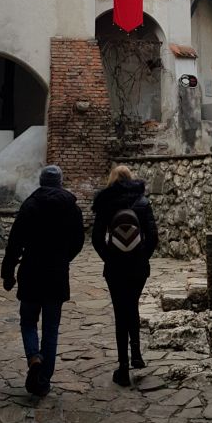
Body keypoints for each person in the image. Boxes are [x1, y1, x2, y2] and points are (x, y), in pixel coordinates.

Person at [1, 164, 84, 397]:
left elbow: (14, 243)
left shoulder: (29, 206)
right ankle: (44, 379)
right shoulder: (72, 208)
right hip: (56, 274)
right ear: (60, 182)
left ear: (41, 181)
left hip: (31, 272)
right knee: (51, 329)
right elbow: (78, 240)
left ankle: (34, 357)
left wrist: (7, 273)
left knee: (28, 322)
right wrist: (64, 257)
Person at [92, 164, 158, 386]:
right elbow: (153, 237)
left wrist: (110, 257)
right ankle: (137, 355)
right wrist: (142, 256)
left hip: (116, 268)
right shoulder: (142, 202)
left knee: (121, 312)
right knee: (133, 306)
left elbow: (96, 239)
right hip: (138, 267)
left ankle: (122, 367)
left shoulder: (106, 203)